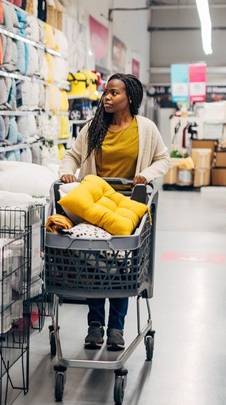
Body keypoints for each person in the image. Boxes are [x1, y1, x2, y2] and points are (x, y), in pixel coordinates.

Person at [58, 73, 170, 351]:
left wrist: (145, 175)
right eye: (105, 92)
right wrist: (66, 173)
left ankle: (117, 328)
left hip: (127, 207)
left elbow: (163, 158)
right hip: (94, 208)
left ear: (129, 98)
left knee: (122, 264)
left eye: (114, 93)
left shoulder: (145, 129)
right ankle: (95, 326)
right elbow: (72, 155)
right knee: (94, 263)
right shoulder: (93, 127)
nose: (107, 97)